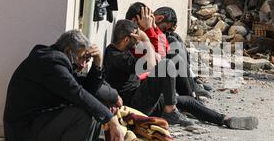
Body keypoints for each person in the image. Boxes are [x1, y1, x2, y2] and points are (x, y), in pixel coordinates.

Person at [3, 30, 126, 141]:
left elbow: (87, 92)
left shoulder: (56, 59)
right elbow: (78, 94)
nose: (83, 64)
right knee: (81, 114)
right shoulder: (51, 62)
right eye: (82, 58)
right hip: (22, 131)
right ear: (68, 51)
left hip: (35, 124)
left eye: (87, 59)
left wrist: (97, 63)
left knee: (89, 107)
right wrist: (112, 119)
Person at [104, 20, 259, 130]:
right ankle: (170, 112)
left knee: (188, 102)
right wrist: (145, 40)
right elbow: (153, 64)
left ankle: (225, 119)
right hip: (134, 104)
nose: (137, 40)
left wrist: (148, 41)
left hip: (143, 96)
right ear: (126, 39)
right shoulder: (115, 56)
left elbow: (155, 59)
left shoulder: (123, 50)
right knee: (166, 65)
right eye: (135, 37)